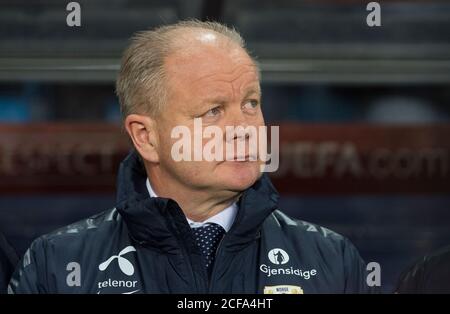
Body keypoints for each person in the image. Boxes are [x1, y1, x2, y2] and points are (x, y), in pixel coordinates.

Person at [9, 20, 372, 294]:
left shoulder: (332, 260)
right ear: (146, 136)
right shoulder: (55, 265)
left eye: (251, 103)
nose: (243, 128)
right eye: (213, 111)